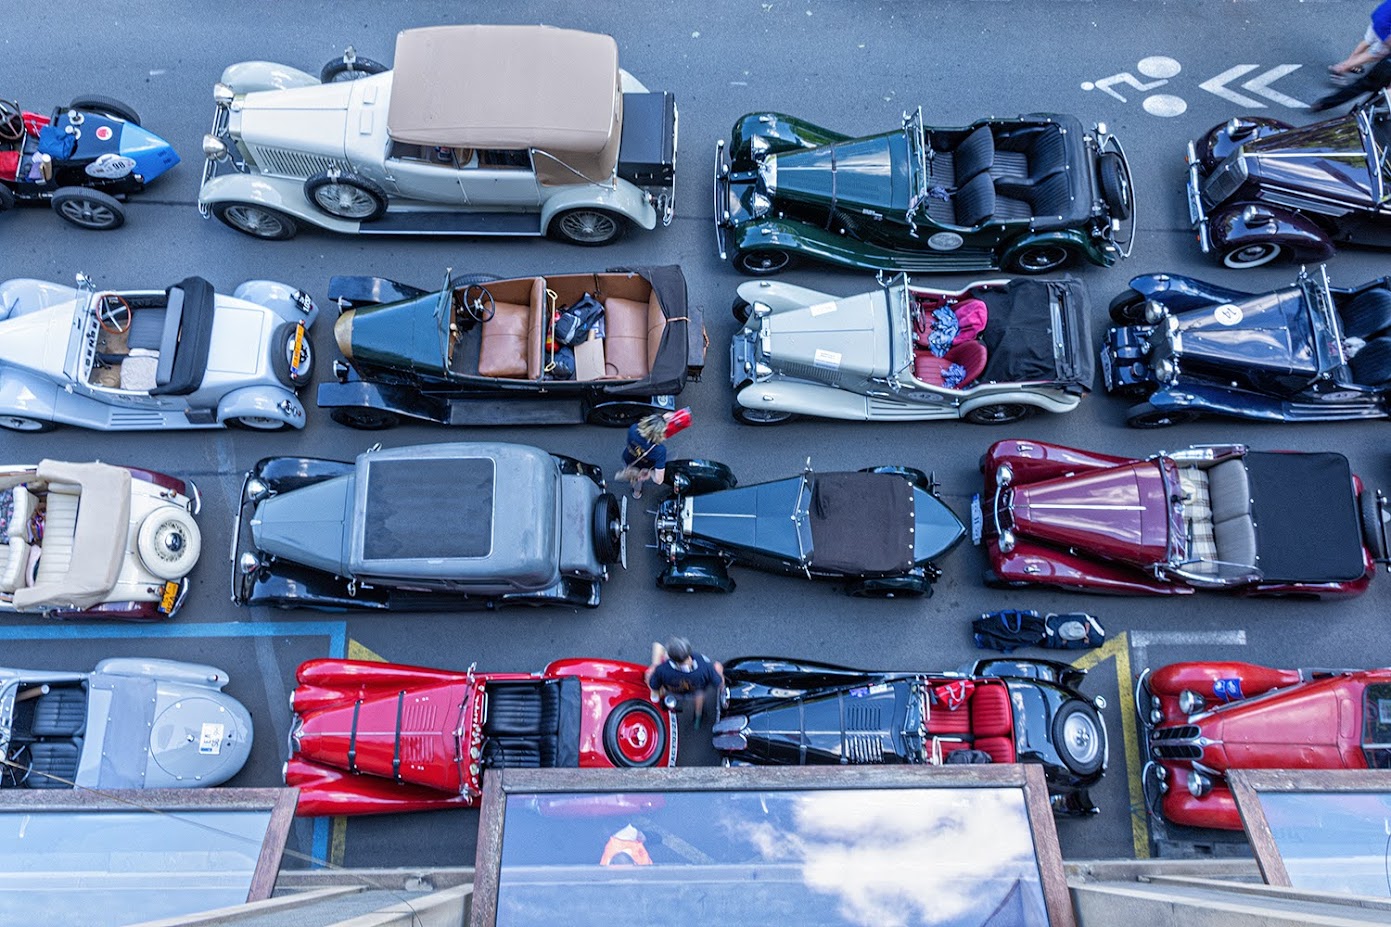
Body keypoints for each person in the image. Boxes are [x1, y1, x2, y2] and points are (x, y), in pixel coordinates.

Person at [646, 636, 724, 729]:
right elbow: (719, 684)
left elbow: (654, 685)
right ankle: (698, 717)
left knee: (654, 661)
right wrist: (720, 671)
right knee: (699, 695)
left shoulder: (662, 670)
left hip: (675, 692)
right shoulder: (705, 667)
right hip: (695, 691)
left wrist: (652, 670)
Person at [617, 409, 691, 499]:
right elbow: (658, 480)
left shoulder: (633, 429)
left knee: (636, 480)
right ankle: (637, 491)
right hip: (645, 466)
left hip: (628, 459)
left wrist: (662, 419)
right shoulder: (659, 451)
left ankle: (636, 493)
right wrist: (650, 472)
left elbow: (652, 426)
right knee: (640, 477)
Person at [1329, 1, 1391, 82]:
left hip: (1380, 16)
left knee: (1368, 41)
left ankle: (1348, 63)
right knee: (1376, 54)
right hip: (1386, 27)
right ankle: (1341, 68)